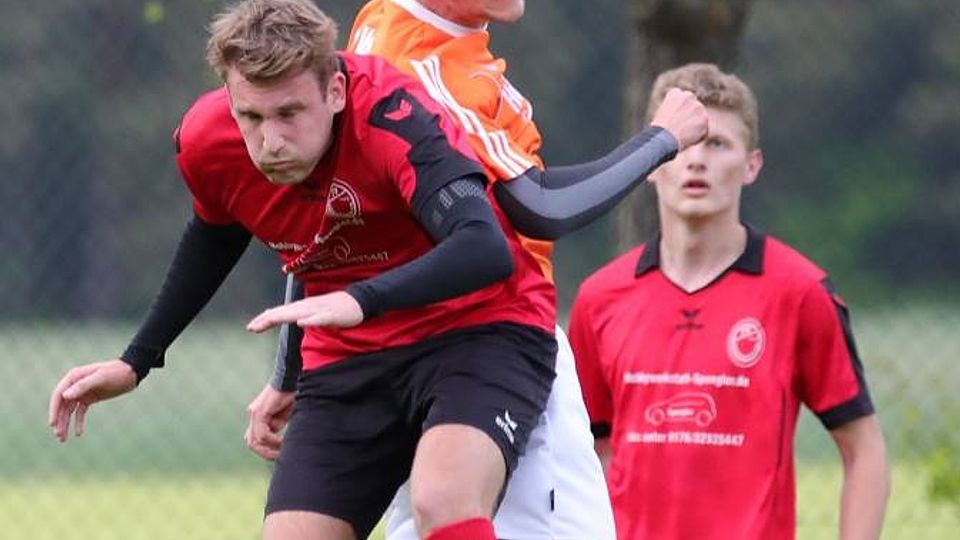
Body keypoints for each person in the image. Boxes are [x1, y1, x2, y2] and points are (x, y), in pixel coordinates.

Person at [47, 1, 566, 539]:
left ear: (336, 91)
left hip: (480, 328)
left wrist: (360, 299)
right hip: (349, 354)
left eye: (289, 114)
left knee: (443, 499)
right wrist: (136, 361)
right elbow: (217, 232)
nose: (269, 142)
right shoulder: (209, 140)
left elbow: (483, 246)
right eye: (251, 117)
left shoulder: (392, 113)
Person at [242, 1, 709, 539]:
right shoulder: (420, 63)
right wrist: (662, 139)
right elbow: (540, 208)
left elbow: (334, 219)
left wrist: (288, 371)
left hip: (408, 350)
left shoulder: (383, 20)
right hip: (487, 340)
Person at [568, 62, 891, 540]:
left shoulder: (799, 293)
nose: (696, 161)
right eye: (680, 145)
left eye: (717, 144)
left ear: (751, 165)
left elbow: (863, 448)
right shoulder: (600, 299)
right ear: (651, 163)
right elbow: (587, 453)